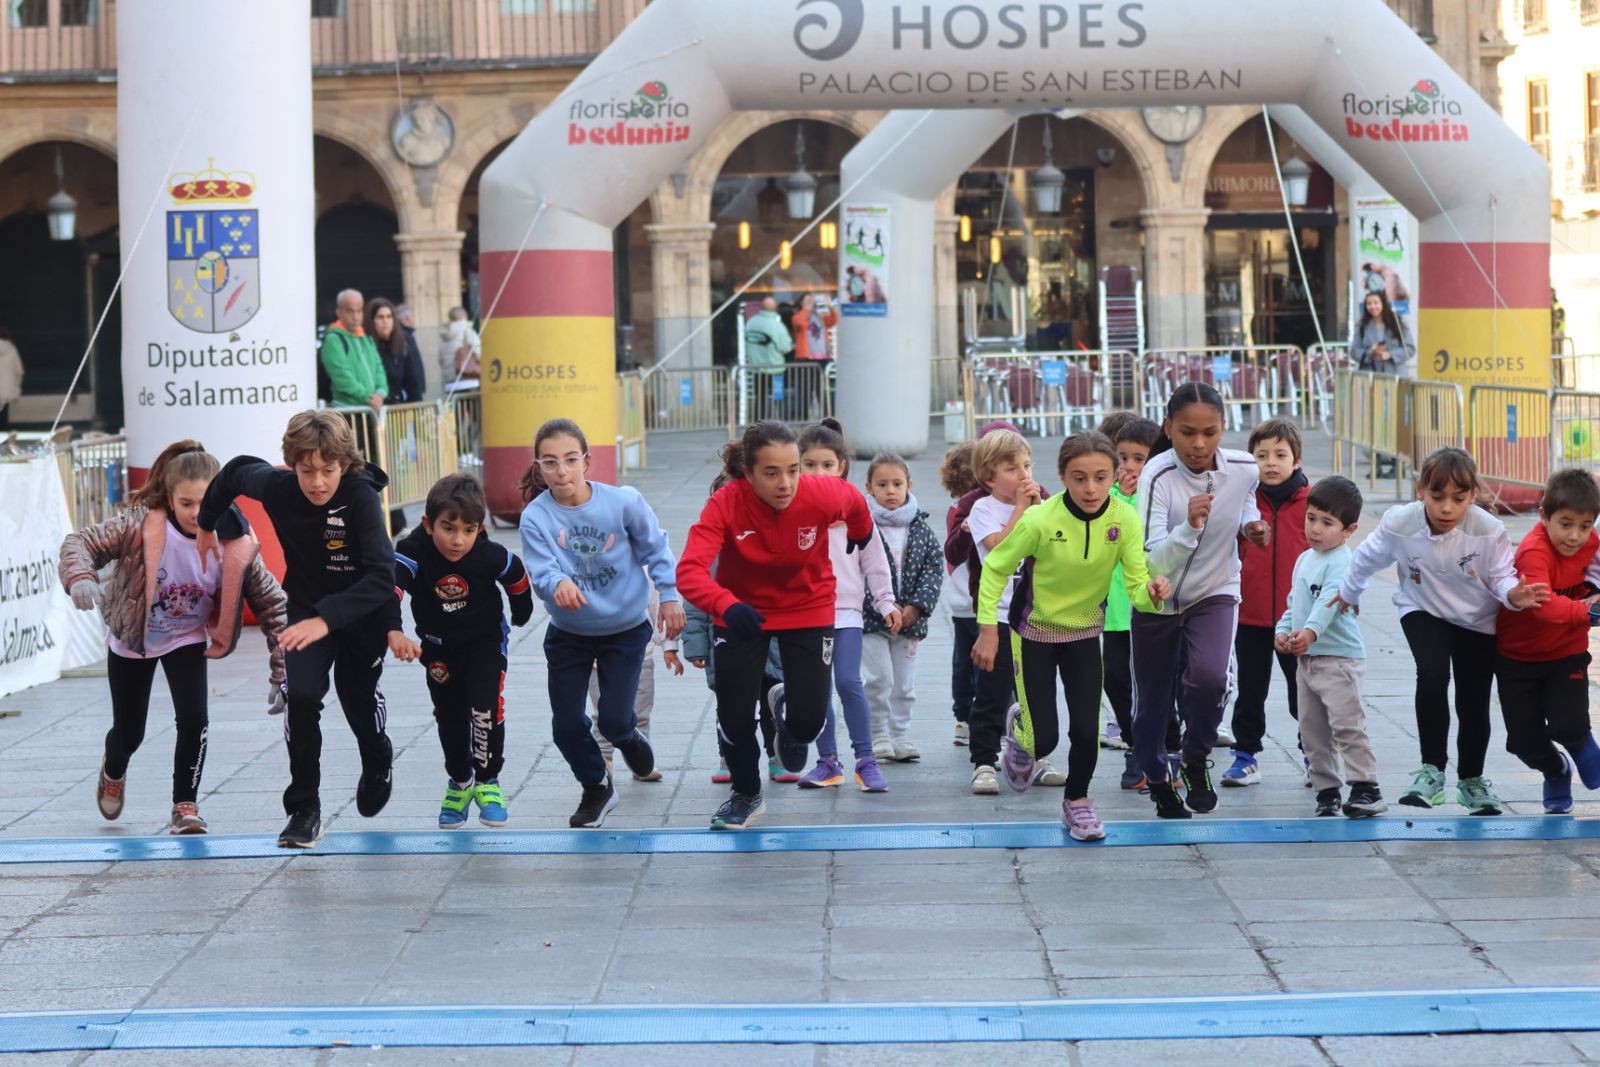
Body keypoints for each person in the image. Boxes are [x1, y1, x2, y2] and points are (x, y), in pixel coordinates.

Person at [59, 441, 287, 835]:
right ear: (169, 498)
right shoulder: (138, 525)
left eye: (205, 502)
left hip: (186, 637)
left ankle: (185, 805)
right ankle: (114, 767)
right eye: (186, 503)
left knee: (195, 719)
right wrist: (80, 577)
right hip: (133, 636)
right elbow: (80, 543)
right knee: (130, 732)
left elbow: (274, 607)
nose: (197, 514)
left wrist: (284, 673)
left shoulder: (238, 545)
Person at [196, 411, 400, 848]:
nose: (318, 482)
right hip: (306, 608)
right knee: (303, 697)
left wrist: (330, 618)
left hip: (360, 611)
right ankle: (304, 808)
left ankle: (377, 754)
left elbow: (383, 577)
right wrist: (206, 524)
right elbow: (232, 473)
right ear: (292, 465)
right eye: (307, 471)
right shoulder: (278, 487)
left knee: (357, 698)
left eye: (328, 470)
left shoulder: (360, 497)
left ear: (344, 465)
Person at [676, 420, 876, 829]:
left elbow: (855, 503)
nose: (785, 483)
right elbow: (690, 571)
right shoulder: (726, 503)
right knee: (733, 716)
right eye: (771, 473)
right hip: (741, 614)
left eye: (793, 470)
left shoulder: (821, 493)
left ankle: (787, 711)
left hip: (809, 608)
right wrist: (726, 605)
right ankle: (746, 795)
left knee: (806, 726)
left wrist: (860, 532)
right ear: (748, 473)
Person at [975, 433, 1169, 841]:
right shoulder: (1040, 519)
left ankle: (1078, 803)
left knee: (1085, 730)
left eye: (1101, 477)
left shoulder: (1124, 518)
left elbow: (1136, 585)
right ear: (1063, 476)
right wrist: (987, 629)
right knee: (1044, 739)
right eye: (1079, 478)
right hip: (1033, 635)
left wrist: (1150, 595)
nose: (1091, 488)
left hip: (1084, 635)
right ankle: (1022, 732)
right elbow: (994, 568)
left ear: (1115, 475)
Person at [1333, 447, 1548, 815]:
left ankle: (1472, 781)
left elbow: (1501, 578)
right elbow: (1367, 557)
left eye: (1458, 499)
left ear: (1473, 496)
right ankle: (1431, 771)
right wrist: (1348, 594)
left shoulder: (1488, 530)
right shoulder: (1401, 523)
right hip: (1423, 608)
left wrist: (1513, 596)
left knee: (1473, 699)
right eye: (1437, 497)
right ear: (1421, 491)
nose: (1447, 509)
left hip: (1477, 619)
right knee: (1432, 673)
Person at [519, 418, 684, 829]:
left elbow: (657, 549)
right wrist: (557, 583)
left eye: (570, 460)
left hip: (625, 630)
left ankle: (630, 739)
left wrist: (669, 596)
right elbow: (540, 569)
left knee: (613, 720)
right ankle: (597, 786)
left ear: (587, 462)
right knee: (566, 726)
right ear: (538, 466)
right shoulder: (535, 517)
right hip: (569, 635)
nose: (562, 471)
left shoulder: (622, 502)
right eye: (551, 462)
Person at [1133, 383, 1271, 819]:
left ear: (1223, 428)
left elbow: (1247, 498)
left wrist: (1251, 524)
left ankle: (1195, 760)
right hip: (1158, 599)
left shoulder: (1245, 467)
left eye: (1210, 432)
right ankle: (1158, 781)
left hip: (1216, 589)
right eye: (1187, 432)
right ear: (1168, 427)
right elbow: (1151, 554)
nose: (1198, 443)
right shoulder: (1155, 475)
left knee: (1211, 677)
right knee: (1151, 710)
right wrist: (1190, 527)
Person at [390, 474, 533, 829]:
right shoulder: (413, 550)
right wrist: (393, 630)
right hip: (438, 647)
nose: (458, 540)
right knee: (450, 715)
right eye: (448, 528)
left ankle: (487, 782)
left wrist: (522, 610)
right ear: (427, 524)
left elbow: (515, 574)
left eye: (468, 530)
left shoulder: (487, 553)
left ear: (480, 529)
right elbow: (390, 587)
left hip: (484, 642)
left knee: (484, 707)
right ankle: (460, 781)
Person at [793, 419, 901, 792]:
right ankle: (828, 762)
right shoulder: (791, 508)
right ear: (797, 466)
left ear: (841, 466)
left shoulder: (854, 507)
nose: (818, 472)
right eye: (809, 465)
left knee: (849, 681)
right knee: (816, 690)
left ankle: (865, 760)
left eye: (827, 464)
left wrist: (886, 600)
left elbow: (874, 559)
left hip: (846, 611)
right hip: (806, 614)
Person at [1274, 476, 1386, 818]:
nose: (1316, 529)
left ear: (1349, 529)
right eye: (1311, 518)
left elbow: (1329, 602)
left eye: (1327, 523)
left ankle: (1366, 786)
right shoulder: (1305, 559)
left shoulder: (1343, 561)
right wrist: (1283, 630)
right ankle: (1327, 790)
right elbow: (1296, 602)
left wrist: (1309, 633)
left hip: (1338, 660)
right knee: (1312, 731)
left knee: (1347, 725)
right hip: (1307, 662)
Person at [965, 428, 1070, 793]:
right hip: (997, 615)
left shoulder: (1043, 505)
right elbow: (998, 551)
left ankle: (1032, 755)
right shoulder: (983, 509)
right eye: (1012, 468)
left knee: (1036, 692)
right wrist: (1024, 511)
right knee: (993, 692)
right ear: (989, 476)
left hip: (1036, 616)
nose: (1024, 474)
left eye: (1027, 464)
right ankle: (983, 761)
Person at [1493, 469, 1600, 813]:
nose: (1575, 536)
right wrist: (1587, 613)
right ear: (1543, 515)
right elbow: (1541, 606)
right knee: (1523, 742)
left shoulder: (1593, 544)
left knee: (1570, 724)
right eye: (1566, 523)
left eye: (1585, 526)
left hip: (1566, 653)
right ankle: (1556, 769)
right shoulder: (1533, 551)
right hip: (1517, 658)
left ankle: (1586, 751)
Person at [1224, 417, 1309, 788]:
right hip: (1250, 615)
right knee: (1250, 689)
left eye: (1280, 454)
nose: (1270, 462)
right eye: (1261, 455)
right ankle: (1246, 756)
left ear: (1297, 460)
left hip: (1299, 619)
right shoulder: (1242, 500)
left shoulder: (1313, 502)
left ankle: (1314, 755)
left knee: (1303, 690)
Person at [861, 452, 943, 767]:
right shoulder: (863, 526)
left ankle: (900, 734)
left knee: (904, 683)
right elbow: (857, 571)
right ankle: (878, 734)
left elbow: (934, 570)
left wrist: (917, 607)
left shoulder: (920, 527)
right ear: (869, 487)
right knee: (878, 678)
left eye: (897, 483)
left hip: (910, 622)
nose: (891, 491)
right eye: (882, 485)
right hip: (872, 620)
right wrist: (881, 606)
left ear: (909, 484)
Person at [1103, 416, 1161, 791]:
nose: (1128, 467)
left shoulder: (1158, 493)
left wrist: (1132, 494)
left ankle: (1151, 752)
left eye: (1138, 458)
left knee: (1153, 685)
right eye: (1121, 458)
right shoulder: (1106, 495)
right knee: (1115, 681)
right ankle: (1134, 743)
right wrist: (1120, 493)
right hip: (1111, 612)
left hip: (1148, 608)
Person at [592, 577, 682, 784]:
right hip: (598, 655)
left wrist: (669, 646)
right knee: (604, 712)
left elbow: (658, 604)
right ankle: (602, 760)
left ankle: (641, 761)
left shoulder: (646, 564)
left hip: (640, 653)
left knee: (641, 712)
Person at [938, 441, 981, 747]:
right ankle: (976, 716)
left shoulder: (954, 508)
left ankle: (962, 719)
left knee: (962, 661)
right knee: (985, 663)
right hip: (979, 600)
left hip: (959, 602)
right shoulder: (973, 510)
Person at [1353, 289, 1412, 477]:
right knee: (1375, 422)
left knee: (1395, 421)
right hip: (1372, 379)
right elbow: (1353, 351)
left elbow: (1410, 348)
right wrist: (1369, 352)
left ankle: (1398, 465)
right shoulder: (1362, 326)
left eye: (1376, 303)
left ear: (1383, 303)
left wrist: (1390, 354)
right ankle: (1376, 464)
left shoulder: (1397, 323)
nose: (1373, 307)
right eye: (1369, 303)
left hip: (1394, 378)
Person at [320, 289, 388, 412]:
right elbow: (342, 377)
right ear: (338, 312)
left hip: (370, 411)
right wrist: (370, 397)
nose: (355, 317)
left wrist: (380, 393)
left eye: (359, 311)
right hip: (347, 412)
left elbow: (379, 370)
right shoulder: (333, 339)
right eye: (350, 311)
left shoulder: (366, 339)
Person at [366, 297, 427, 405]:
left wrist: (418, 409)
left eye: (389, 317)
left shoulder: (404, 340)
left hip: (399, 406)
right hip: (373, 406)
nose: (385, 322)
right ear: (372, 320)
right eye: (380, 317)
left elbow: (413, 379)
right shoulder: (365, 343)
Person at [743, 297, 794, 422]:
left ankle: (757, 423)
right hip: (775, 369)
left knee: (759, 398)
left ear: (761, 308)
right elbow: (785, 347)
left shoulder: (751, 322)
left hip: (756, 368)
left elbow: (746, 342)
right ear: (775, 309)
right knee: (778, 397)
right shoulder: (777, 325)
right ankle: (778, 423)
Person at [442, 306, 481, 385]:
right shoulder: (466, 329)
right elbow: (477, 348)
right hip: (466, 375)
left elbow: (440, 359)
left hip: (449, 377)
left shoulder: (444, 334)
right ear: (463, 316)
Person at [0, 326, 22, 428]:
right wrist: (16, 387)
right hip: (7, 390)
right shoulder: (11, 349)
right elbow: (19, 371)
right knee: (4, 417)